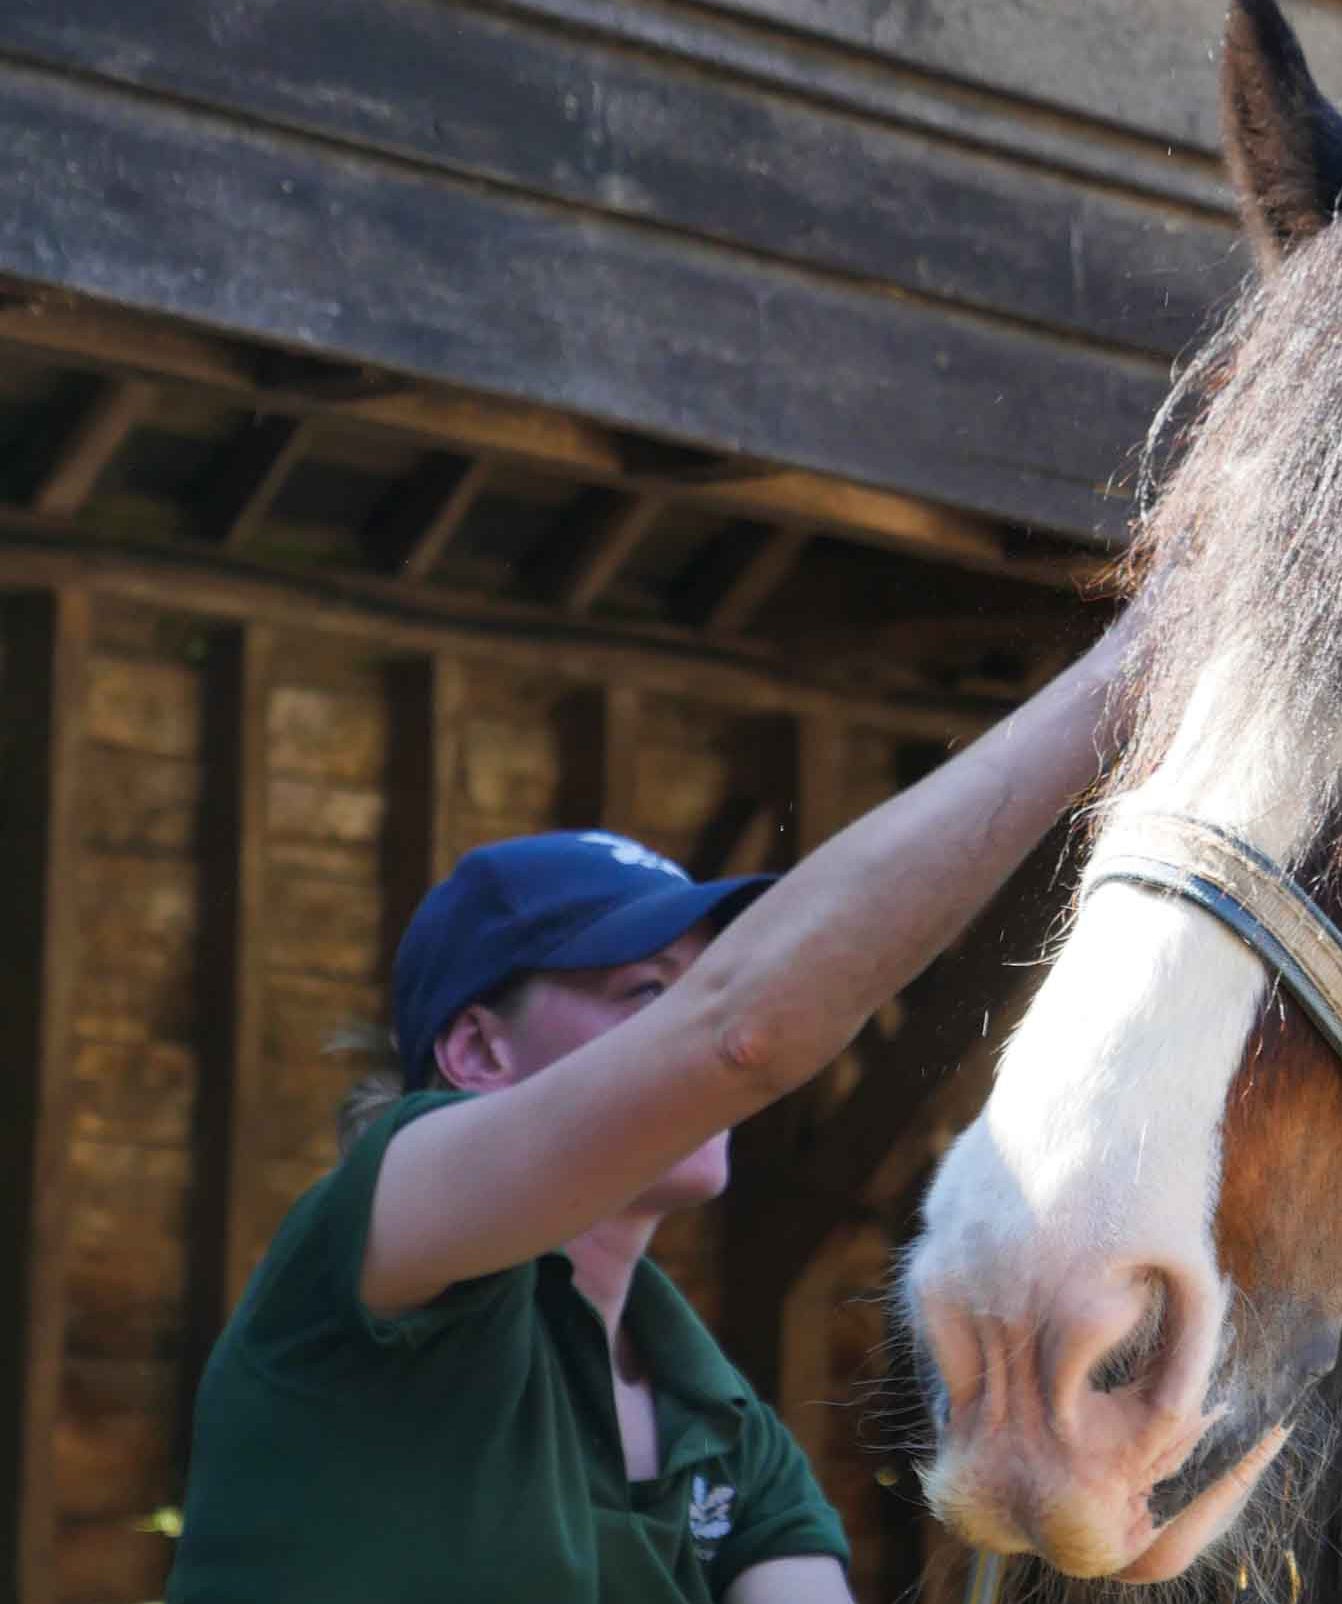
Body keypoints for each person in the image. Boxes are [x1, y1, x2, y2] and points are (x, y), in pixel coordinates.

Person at [164, 605, 1140, 1604]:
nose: (694, 1032)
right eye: (644, 994)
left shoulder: (720, 1424)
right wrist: (1125, 668)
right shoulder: (390, 1219)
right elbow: (742, 1034)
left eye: (705, 981)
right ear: (476, 1049)